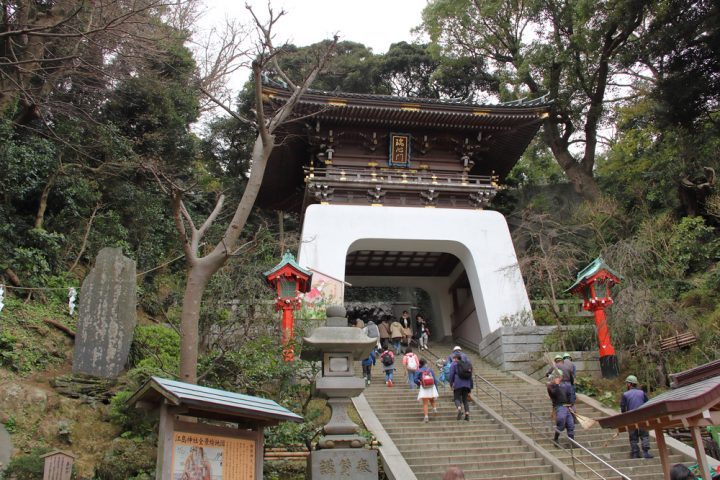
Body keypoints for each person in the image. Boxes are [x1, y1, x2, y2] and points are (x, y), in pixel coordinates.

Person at [621, 375, 652, 459]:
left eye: (627, 383)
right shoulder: (642, 393)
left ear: (629, 384)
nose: (626, 385)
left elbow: (623, 409)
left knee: (633, 437)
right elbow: (647, 404)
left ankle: (635, 453)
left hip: (631, 418)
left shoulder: (625, 394)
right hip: (642, 417)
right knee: (644, 435)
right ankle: (646, 453)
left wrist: (624, 419)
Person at [547, 368, 575, 447]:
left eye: (559, 376)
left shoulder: (564, 385)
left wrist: (570, 404)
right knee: (561, 423)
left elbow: (569, 395)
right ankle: (555, 439)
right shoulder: (551, 386)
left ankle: (572, 443)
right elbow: (554, 394)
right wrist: (556, 384)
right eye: (557, 376)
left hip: (567, 407)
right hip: (559, 406)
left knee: (571, 424)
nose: (559, 378)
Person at [448, 351, 473, 421]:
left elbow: (451, 375)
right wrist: (470, 387)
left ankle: (459, 408)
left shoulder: (454, 364)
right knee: (465, 400)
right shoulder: (468, 364)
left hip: (458, 383)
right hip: (467, 384)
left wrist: (451, 383)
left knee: (456, 398)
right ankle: (467, 414)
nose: (453, 359)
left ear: (456, 358)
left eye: (454, 358)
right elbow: (470, 376)